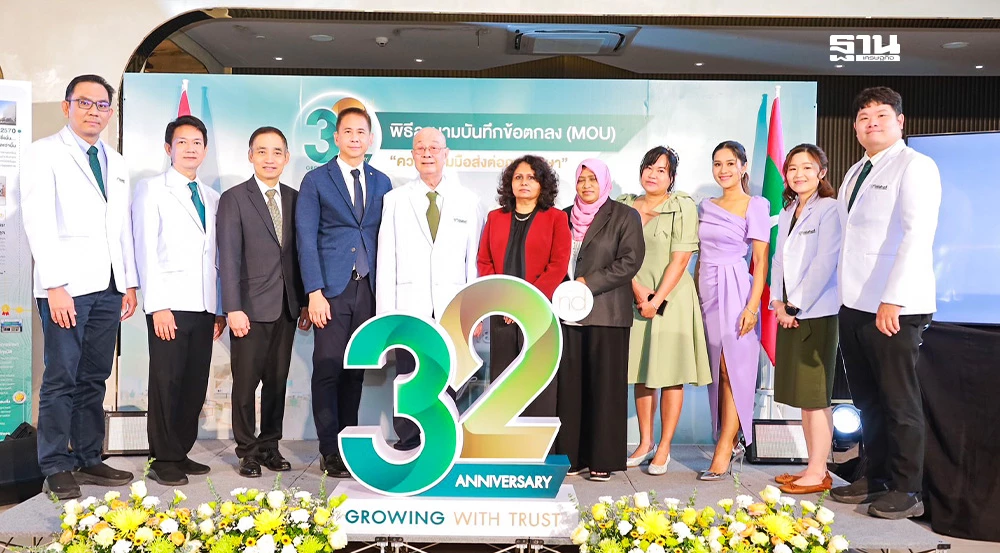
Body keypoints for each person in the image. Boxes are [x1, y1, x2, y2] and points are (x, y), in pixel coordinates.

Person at [21, 75, 139, 499]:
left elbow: (120, 227)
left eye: (102, 105)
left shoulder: (116, 161)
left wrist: (128, 282)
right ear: (66, 106)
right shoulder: (44, 153)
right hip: (66, 287)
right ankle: (55, 464)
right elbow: (38, 221)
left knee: (95, 376)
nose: (94, 111)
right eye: (85, 102)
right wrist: (54, 284)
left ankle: (89, 457)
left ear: (110, 112)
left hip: (109, 286)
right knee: (61, 376)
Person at [831, 87, 941, 519]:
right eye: (864, 117)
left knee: (898, 401)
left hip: (894, 306)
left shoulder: (915, 166)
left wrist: (893, 299)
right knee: (867, 401)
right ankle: (874, 476)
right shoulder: (857, 170)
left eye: (880, 115)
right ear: (856, 128)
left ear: (900, 121)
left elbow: (917, 236)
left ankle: (907, 488)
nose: (871, 122)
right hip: (855, 303)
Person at [296, 107, 392, 478]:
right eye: (347, 131)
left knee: (355, 370)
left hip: (369, 289)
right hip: (331, 292)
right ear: (336, 137)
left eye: (360, 132)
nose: (354, 137)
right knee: (327, 368)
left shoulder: (382, 182)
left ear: (370, 139)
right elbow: (306, 239)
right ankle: (328, 450)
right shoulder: (316, 180)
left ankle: (348, 446)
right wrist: (314, 292)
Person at [132, 115, 226, 486]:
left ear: (205, 149)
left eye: (197, 143)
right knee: (166, 381)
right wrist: (157, 305)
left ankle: (180, 450)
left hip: (204, 305)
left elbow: (216, 257)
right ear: (168, 148)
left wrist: (219, 308)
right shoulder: (151, 189)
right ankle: (162, 457)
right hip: (169, 305)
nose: (190, 149)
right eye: (182, 142)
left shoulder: (212, 197)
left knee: (194, 382)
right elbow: (145, 249)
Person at [376, 127, 484, 451]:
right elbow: (386, 260)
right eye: (420, 148)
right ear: (412, 155)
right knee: (408, 375)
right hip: (409, 307)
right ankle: (409, 440)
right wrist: (386, 317)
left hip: (454, 307)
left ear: (446, 154)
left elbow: (474, 261)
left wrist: (475, 312)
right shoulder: (395, 200)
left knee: (450, 374)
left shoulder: (469, 201)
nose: (427, 153)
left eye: (434, 147)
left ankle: (442, 440)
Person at [217, 127, 311, 478]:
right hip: (249, 309)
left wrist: (304, 302)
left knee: (277, 382)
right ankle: (247, 451)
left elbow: (300, 255)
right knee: (245, 384)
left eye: (276, 152)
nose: (269, 159)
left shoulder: (296, 198)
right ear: (250, 156)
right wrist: (232, 307)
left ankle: (270, 445)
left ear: (286, 158)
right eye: (262, 151)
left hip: (286, 307)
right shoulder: (234, 198)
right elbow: (228, 258)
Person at [618, 146, 711, 475]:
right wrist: (638, 290)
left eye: (661, 170)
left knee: (670, 374)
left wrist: (656, 300)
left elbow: (681, 258)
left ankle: (665, 447)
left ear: (671, 177)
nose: (653, 174)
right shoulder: (625, 205)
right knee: (642, 371)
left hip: (671, 298)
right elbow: (617, 256)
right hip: (635, 298)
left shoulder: (681, 205)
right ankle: (645, 442)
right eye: (649, 167)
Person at [555, 158, 644, 482]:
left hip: (607, 314)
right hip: (567, 315)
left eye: (593, 179)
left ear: (605, 182)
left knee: (605, 389)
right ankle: (571, 456)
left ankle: (601, 459)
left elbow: (630, 261)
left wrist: (587, 283)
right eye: (582, 179)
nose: (587, 185)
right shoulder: (562, 216)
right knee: (569, 388)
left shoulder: (624, 216)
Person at [769, 144, 842, 494]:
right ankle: (814, 467)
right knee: (803, 396)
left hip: (816, 313)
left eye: (807, 167)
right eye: (793, 168)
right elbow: (779, 260)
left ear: (822, 172)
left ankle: (818, 471)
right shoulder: (789, 210)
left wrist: (794, 306)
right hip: (790, 310)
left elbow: (825, 262)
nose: (799, 174)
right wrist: (777, 302)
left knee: (816, 397)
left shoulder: (830, 209)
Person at [696, 140, 770, 481]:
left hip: (737, 288)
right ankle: (728, 437)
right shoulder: (706, 206)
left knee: (733, 367)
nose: (723, 170)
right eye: (717, 164)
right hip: (707, 289)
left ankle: (725, 447)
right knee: (718, 369)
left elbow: (760, 260)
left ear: (743, 166)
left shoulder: (756, 205)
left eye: (730, 163)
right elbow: (700, 255)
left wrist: (752, 307)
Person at [476, 155, 570, 416]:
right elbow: (484, 261)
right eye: (518, 177)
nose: (524, 182)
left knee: (538, 381)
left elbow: (558, 265)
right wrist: (505, 302)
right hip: (502, 312)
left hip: (538, 312)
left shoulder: (556, 218)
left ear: (542, 184)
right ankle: (503, 436)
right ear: (510, 183)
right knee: (503, 380)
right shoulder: (495, 217)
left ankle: (538, 440)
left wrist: (524, 303)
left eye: (531, 177)